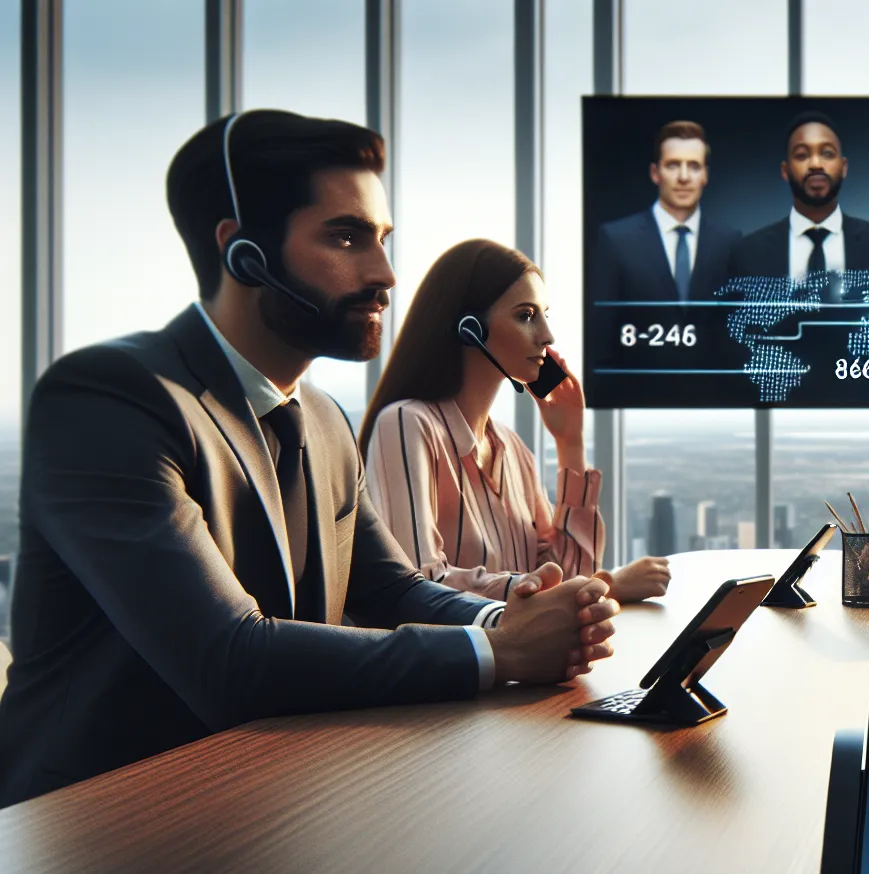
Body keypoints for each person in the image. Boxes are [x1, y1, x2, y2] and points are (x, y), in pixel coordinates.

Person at [0, 110, 617, 807]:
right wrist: (500, 653)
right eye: (347, 237)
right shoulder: (111, 399)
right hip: (97, 830)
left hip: (267, 801)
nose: (385, 273)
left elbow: (390, 588)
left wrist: (507, 621)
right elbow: (227, 657)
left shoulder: (322, 420)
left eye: (382, 240)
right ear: (244, 252)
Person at [360, 239, 671, 603]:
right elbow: (420, 584)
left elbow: (569, 575)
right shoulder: (407, 424)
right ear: (469, 328)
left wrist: (570, 442)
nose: (547, 335)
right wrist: (604, 587)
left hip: (529, 661)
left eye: (544, 315)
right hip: (459, 660)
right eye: (526, 316)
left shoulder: (513, 450)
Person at [726, 111, 869, 290]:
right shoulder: (749, 252)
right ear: (785, 171)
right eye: (802, 155)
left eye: (828, 154)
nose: (815, 164)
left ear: (844, 167)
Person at [591, 120, 740, 318]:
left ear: (705, 175)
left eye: (694, 166)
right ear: (655, 173)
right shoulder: (616, 239)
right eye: (673, 165)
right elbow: (601, 328)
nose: (684, 177)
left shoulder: (730, 242)